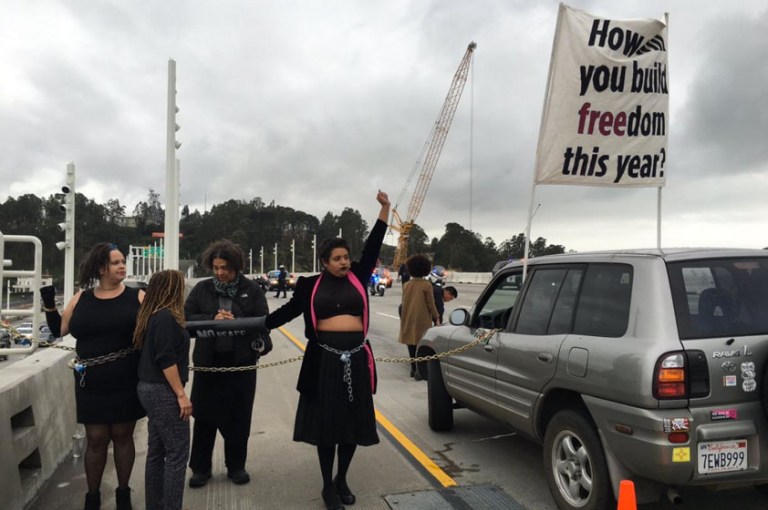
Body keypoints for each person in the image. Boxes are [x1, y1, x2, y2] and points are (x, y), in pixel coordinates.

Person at [263, 190, 390, 510]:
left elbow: (374, 243)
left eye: (346, 257)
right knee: (326, 428)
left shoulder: (360, 276)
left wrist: (385, 210)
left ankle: (342, 478)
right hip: (323, 362)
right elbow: (284, 314)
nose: (344, 262)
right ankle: (326, 486)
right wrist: (251, 323)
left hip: (357, 359)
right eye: (337, 258)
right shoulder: (309, 285)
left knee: (351, 427)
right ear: (324, 262)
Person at [39, 242, 145, 510]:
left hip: (125, 379)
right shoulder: (80, 298)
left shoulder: (138, 297)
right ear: (101, 268)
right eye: (116, 262)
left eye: (123, 261)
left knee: (123, 436)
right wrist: (50, 305)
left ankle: (123, 494)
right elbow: (59, 331)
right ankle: (93, 496)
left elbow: (156, 331)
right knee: (96, 439)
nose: (123, 266)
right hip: (90, 381)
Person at [184, 240, 269, 487]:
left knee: (239, 417)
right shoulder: (202, 289)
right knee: (204, 418)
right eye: (217, 267)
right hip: (208, 363)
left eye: (226, 268)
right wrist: (213, 318)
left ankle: (236, 465)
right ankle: (200, 468)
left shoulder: (252, 290)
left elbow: (263, 322)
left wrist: (237, 320)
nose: (221, 272)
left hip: (240, 364)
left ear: (237, 267)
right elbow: (186, 317)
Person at [133, 270, 191, 510]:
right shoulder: (166, 318)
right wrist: (181, 394)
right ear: (172, 290)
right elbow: (166, 359)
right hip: (163, 390)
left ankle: (155, 505)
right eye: (181, 286)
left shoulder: (152, 316)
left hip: (147, 388)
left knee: (156, 452)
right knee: (177, 453)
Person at [399, 254, 440, 381]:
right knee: (421, 344)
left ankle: (413, 368)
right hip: (422, 318)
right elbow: (431, 304)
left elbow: (404, 302)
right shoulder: (427, 285)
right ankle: (420, 370)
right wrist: (436, 317)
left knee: (410, 344)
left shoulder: (406, 285)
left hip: (408, 316)